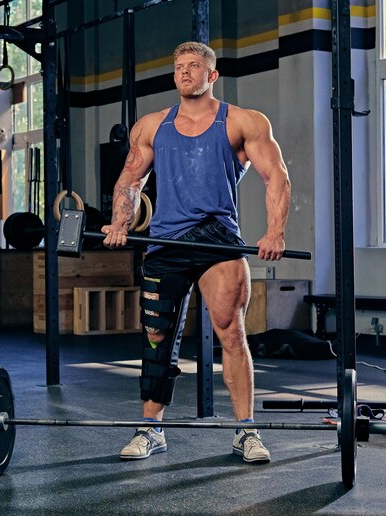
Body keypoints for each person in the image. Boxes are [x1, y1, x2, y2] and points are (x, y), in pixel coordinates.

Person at [102, 41, 291, 463]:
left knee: (231, 332)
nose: (185, 72)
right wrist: (119, 223)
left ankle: (247, 431)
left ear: (212, 76)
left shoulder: (242, 122)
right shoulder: (151, 126)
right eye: (179, 67)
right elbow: (130, 181)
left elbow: (276, 177)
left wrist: (274, 233)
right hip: (165, 242)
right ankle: (151, 429)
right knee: (156, 340)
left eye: (194, 66)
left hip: (218, 242)